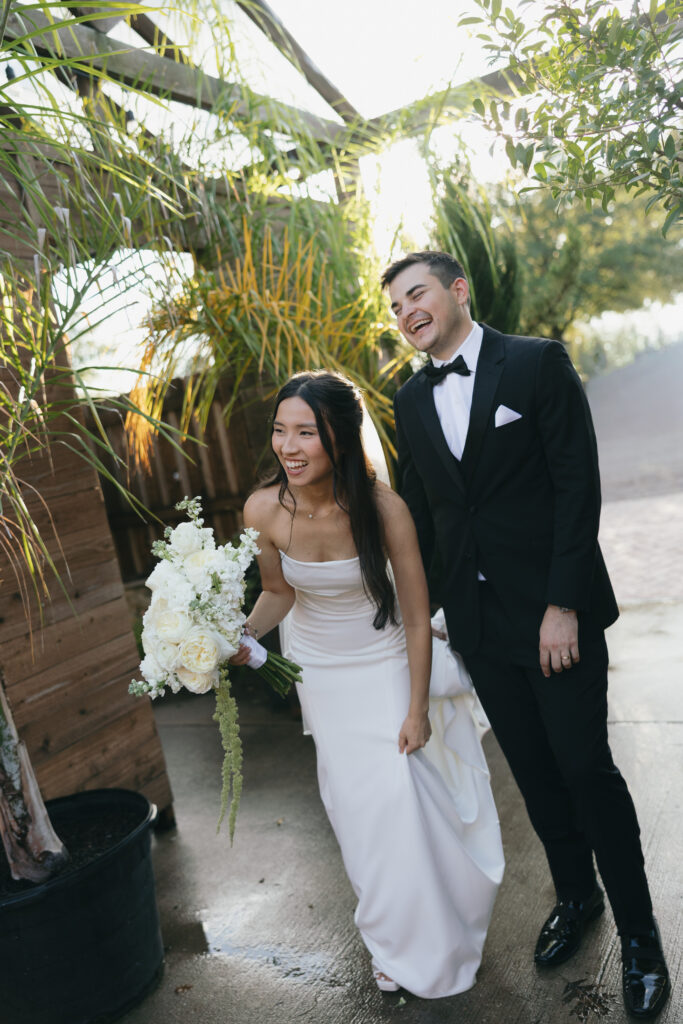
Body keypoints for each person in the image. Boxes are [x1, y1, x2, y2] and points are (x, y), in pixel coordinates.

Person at [383, 250, 670, 1019]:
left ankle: (641, 937)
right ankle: (576, 899)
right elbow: (422, 514)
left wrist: (562, 603)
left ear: (457, 290)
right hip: (479, 630)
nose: (407, 311)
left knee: (585, 769)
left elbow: (578, 483)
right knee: (536, 778)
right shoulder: (408, 402)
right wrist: (435, 608)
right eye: (394, 307)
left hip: (554, 617)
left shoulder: (536, 364)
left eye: (417, 294)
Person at [231, 370, 504, 998]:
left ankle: (443, 926)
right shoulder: (262, 508)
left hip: (383, 662)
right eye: (280, 431)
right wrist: (238, 635)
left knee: (400, 801)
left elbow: (413, 617)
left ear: (341, 439)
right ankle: (387, 942)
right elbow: (277, 592)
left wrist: (417, 710)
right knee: (356, 814)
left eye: (306, 432)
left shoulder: (385, 510)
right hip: (321, 675)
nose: (288, 447)